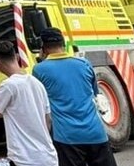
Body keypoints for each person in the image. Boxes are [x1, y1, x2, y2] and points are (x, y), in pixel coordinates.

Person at [31, 28, 115, 166]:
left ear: (43, 48)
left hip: (66, 137)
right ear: (64, 44)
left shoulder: (39, 70)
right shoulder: (84, 64)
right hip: (96, 133)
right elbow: (95, 93)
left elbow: (41, 103)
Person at [0, 40, 58, 166]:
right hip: (48, 156)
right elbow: (48, 120)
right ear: (16, 57)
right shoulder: (36, 83)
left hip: (24, 159)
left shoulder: (9, 85)